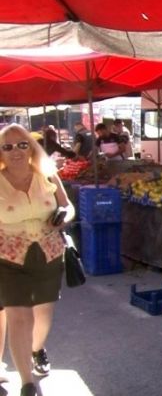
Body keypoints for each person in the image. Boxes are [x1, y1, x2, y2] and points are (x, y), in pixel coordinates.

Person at [0, 124, 75, 396]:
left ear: (32, 147)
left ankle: (36, 349)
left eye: (22, 144)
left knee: (43, 313)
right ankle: (26, 382)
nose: (16, 151)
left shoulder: (47, 175)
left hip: (48, 253)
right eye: (7, 146)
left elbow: (67, 205)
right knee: (19, 316)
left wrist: (63, 216)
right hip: (9, 259)